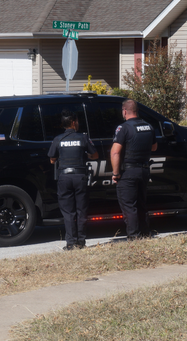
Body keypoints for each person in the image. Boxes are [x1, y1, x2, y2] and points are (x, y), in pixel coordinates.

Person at [48, 109, 98, 250]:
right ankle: (81, 242)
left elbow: (52, 160)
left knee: (68, 212)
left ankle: (71, 243)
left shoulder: (58, 139)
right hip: (80, 177)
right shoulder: (83, 138)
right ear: (74, 122)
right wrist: (84, 156)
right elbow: (94, 155)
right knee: (81, 210)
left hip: (64, 177)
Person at [110, 99, 157, 239]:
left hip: (128, 172)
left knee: (129, 206)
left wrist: (116, 174)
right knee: (141, 203)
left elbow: (115, 152)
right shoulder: (148, 126)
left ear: (124, 111)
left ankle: (134, 236)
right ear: (137, 111)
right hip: (143, 170)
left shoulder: (123, 128)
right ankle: (145, 232)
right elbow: (154, 147)